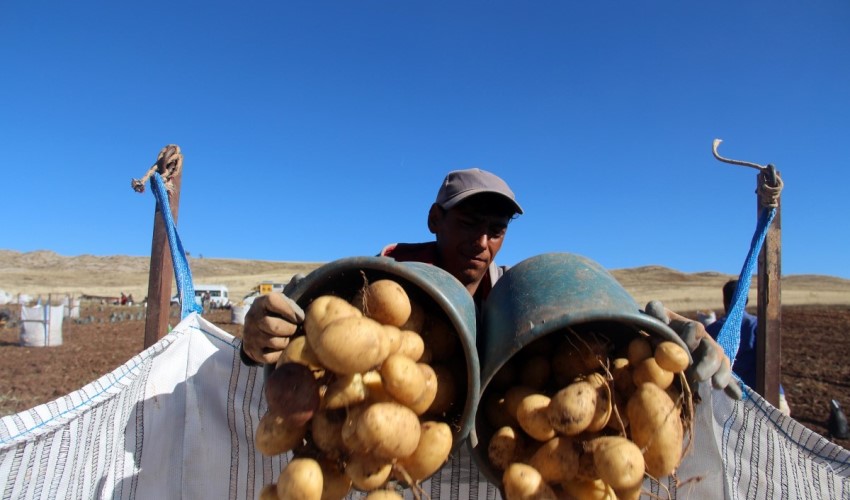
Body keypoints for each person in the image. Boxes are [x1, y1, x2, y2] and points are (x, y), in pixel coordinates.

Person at [239, 168, 737, 398]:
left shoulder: (520, 297)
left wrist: (661, 330)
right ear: (434, 218)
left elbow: (599, 326)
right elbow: (295, 329)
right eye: (467, 223)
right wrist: (260, 333)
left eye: (496, 231)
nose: (482, 242)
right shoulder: (377, 283)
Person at [706, 279, 790, 414]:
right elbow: (771, 364)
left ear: (725, 301)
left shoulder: (711, 330)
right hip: (763, 396)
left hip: (727, 400)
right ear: (746, 300)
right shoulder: (758, 326)